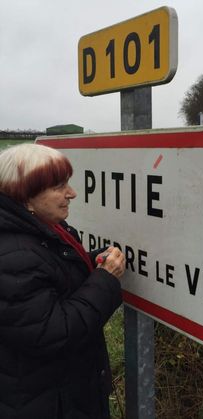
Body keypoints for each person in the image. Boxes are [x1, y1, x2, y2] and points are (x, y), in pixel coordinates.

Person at [0, 143, 126, 419]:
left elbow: (53, 276)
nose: (72, 193)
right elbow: (54, 332)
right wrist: (105, 280)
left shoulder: (42, 229)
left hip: (63, 392)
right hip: (47, 403)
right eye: (59, 186)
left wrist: (92, 262)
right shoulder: (12, 254)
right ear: (25, 196)